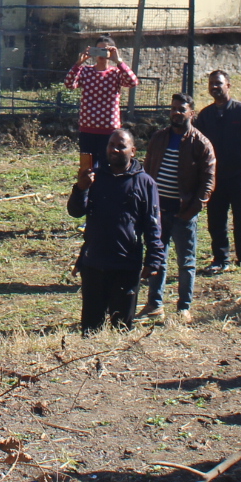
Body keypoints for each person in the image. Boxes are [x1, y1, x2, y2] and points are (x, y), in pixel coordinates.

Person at [67, 128, 163, 334]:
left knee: (121, 329)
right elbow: (75, 212)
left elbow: (153, 225)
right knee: (90, 329)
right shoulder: (96, 177)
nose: (115, 150)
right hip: (94, 264)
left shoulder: (145, 182)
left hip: (126, 265)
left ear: (133, 151)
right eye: (111, 145)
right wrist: (81, 188)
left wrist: (154, 259)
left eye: (121, 146)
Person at [140, 93, 216, 323]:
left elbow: (208, 180)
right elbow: (146, 170)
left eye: (182, 109)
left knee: (186, 262)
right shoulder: (159, 138)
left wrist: (194, 208)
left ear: (191, 113)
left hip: (184, 212)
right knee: (157, 258)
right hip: (157, 211)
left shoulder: (200, 143)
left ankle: (184, 307)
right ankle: (154, 305)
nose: (176, 113)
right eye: (173, 109)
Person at [195, 70, 241, 274]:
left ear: (228, 86)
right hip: (215, 178)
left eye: (219, 83)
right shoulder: (205, 116)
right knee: (216, 220)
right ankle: (220, 259)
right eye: (211, 84)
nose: (215, 87)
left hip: (240, 175)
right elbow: (197, 147)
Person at [64, 36, 140, 178]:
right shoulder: (85, 71)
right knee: (87, 168)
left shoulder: (116, 73)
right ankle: (88, 195)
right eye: (98, 50)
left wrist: (118, 61)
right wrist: (78, 63)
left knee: (108, 168)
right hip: (87, 130)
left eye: (105, 50)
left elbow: (132, 82)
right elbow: (69, 84)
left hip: (109, 131)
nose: (101, 54)